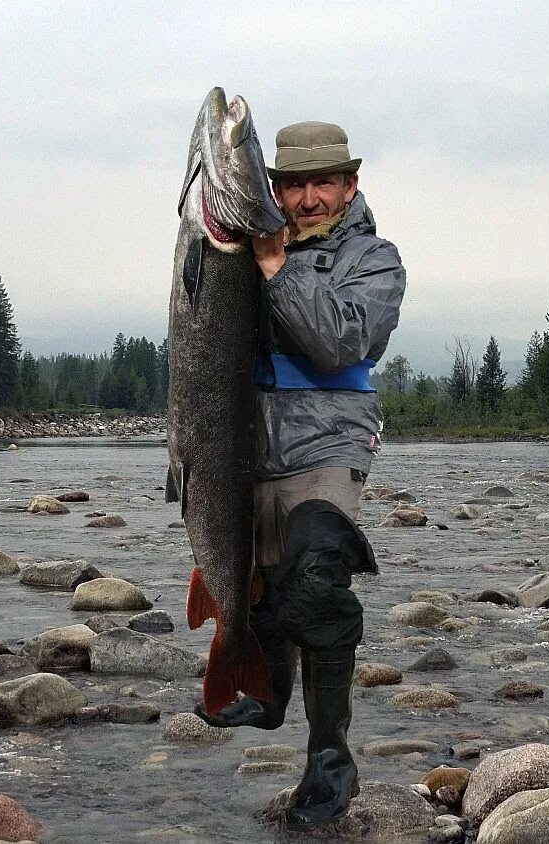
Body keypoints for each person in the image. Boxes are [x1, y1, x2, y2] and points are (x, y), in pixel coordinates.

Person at [194, 120, 405, 830]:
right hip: (242, 444)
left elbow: (340, 338)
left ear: (350, 186)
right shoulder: (239, 253)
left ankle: (329, 763)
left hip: (329, 441)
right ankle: (268, 692)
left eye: (324, 183)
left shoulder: (375, 260)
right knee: (255, 586)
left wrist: (279, 269)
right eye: (294, 185)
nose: (309, 197)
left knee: (315, 578)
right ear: (275, 190)